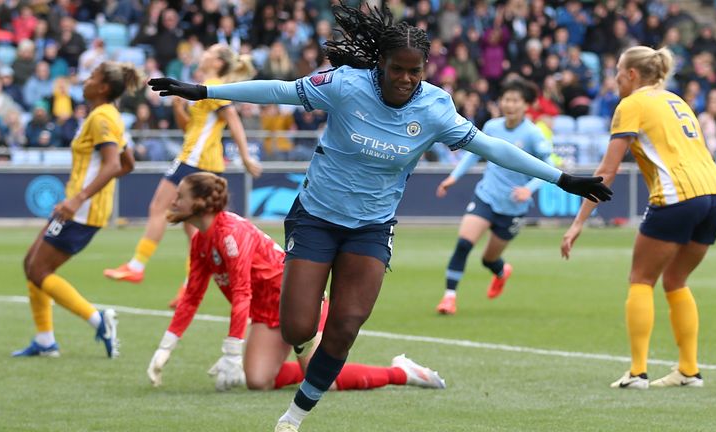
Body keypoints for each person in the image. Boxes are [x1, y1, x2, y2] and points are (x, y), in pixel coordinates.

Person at [148, 5, 611, 431]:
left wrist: (562, 178)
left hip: (372, 226)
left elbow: (494, 148)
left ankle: (293, 418)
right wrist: (205, 91)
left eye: (416, 71)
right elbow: (281, 91)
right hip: (315, 217)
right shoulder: (346, 85)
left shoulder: (435, 107)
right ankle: (307, 340)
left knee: (347, 324)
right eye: (398, 70)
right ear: (380, 66)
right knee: (297, 329)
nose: (407, 79)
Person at [146, 172, 446, 393]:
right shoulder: (201, 240)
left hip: (297, 300)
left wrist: (231, 351)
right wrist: (165, 348)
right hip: (267, 312)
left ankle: (401, 372)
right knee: (258, 381)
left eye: (180, 196)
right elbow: (191, 296)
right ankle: (302, 368)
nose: (173, 200)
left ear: (199, 202)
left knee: (322, 383)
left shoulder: (230, 234)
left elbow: (241, 294)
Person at [560, 46, 716, 389]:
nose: (616, 78)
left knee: (641, 279)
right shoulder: (675, 100)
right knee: (676, 280)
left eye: (619, 72)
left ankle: (637, 372)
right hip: (715, 193)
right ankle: (688, 370)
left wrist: (579, 221)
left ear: (632, 75)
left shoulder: (631, 104)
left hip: (678, 194)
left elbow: (607, 171)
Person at [103, 44, 263, 309]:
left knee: (159, 207)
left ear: (218, 62)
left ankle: (137, 265)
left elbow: (233, 120)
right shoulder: (207, 86)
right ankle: (192, 285)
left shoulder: (214, 86)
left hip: (194, 160)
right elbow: (189, 127)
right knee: (197, 232)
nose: (205, 53)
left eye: (210, 52)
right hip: (201, 160)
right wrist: (179, 107)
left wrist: (245, 157)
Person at [13, 61, 141, 358]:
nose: (85, 81)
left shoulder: (102, 118)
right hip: (81, 206)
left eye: (92, 77)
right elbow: (128, 163)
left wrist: (80, 197)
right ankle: (45, 342)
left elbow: (112, 164)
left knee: (38, 269)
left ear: (103, 87)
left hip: (80, 209)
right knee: (31, 265)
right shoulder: (106, 115)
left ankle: (99, 320)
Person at [434, 79, 552, 315]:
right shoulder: (492, 126)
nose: (509, 105)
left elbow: (548, 166)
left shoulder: (533, 134)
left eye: (515, 101)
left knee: (488, 259)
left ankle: (500, 271)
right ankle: (449, 298)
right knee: (463, 244)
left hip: (513, 207)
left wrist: (529, 188)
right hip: (486, 197)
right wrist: (454, 177)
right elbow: (473, 154)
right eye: (506, 99)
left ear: (526, 105)